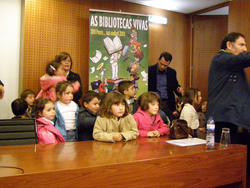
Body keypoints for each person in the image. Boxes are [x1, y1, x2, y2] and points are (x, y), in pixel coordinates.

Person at [206, 32, 250, 144]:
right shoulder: (220, 59)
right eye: (241, 45)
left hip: (232, 119)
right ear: (229, 45)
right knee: (225, 158)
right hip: (223, 119)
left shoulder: (233, 65)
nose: (245, 49)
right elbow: (245, 58)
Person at [148, 51, 182, 121]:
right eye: (161, 64)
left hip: (167, 103)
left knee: (174, 121)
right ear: (158, 59)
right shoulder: (150, 70)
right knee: (160, 118)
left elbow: (175, 86)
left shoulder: (172, 72)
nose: (162, 67)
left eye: (165, 65)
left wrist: (179, 89)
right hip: (154, 102)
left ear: (169, 64)